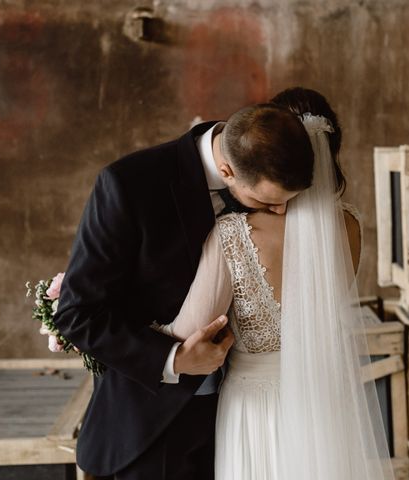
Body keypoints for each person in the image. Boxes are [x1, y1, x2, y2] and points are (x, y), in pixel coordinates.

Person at [51, 103, 314, 480]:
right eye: (266, 201)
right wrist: (173, 359)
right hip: (154, 427)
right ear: (226, 170)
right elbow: (77, 314)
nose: (280, 212)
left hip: (249, 419)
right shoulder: (128, 184)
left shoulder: (267, 153)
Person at [159, 87, 395, 479]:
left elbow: (185, 336)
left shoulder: (231, 235)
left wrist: (100, 327)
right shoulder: (349, 226)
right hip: (325, 403)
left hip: (256, 407)